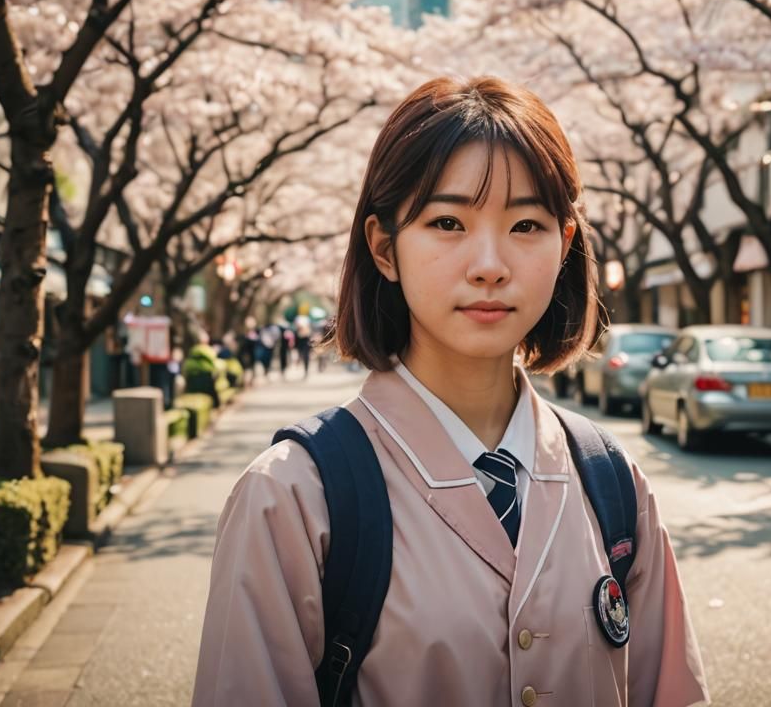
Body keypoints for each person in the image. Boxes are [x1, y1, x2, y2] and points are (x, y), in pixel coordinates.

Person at [192, 77, 709, 707]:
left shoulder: (613, 482)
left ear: (564, 245)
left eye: (526, 225)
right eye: (447, 222)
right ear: (384, 249)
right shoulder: (293, 497)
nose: (489, 265)